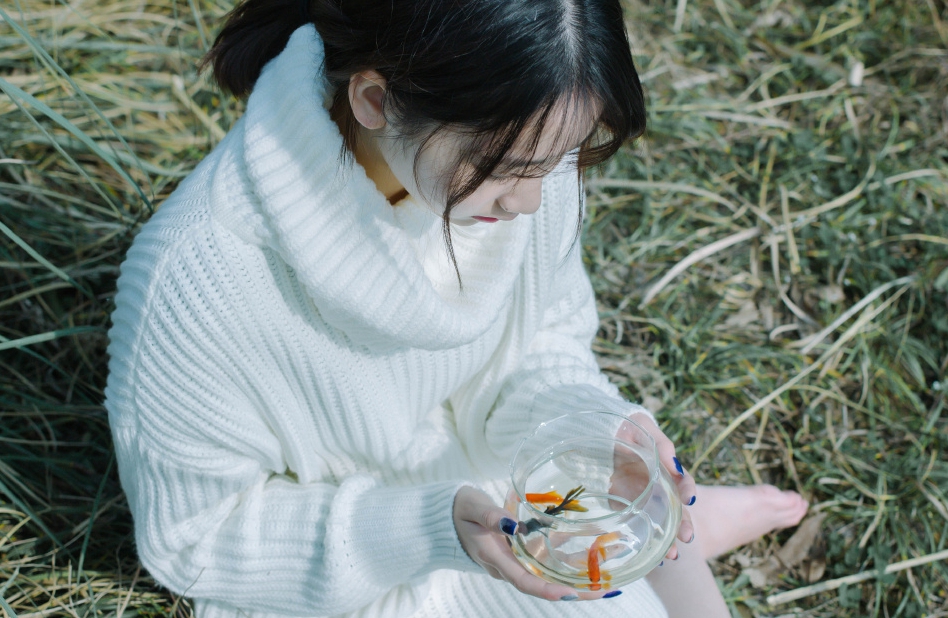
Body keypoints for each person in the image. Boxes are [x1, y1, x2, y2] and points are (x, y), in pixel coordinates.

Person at [104, 0, 809, 616]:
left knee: (630, 557)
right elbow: (193, 539)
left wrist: (592, 429)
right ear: (374, 101)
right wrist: (425, 529)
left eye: (561, 159)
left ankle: (662, 543)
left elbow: (541, 346)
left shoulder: (525, 143)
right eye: (507, 169)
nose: (534, 200)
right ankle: (669, 552)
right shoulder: (198, 279)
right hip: (348, 562)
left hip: (505, 496)